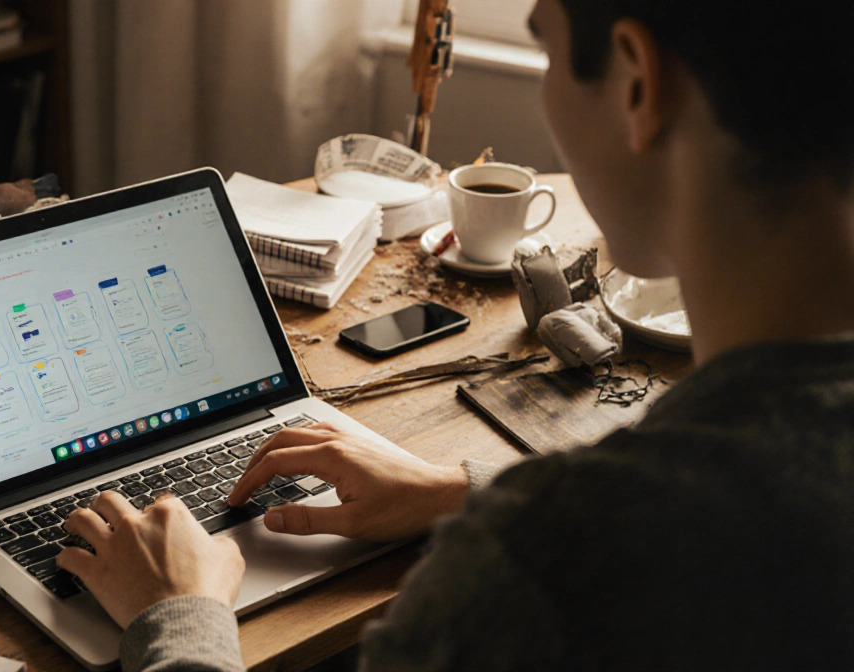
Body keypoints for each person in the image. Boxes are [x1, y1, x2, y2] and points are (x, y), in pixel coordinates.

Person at [56, 0, 854, 668]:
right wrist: (465, 491)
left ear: (639, 84)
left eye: (542, 46)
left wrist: (182, 617)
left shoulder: (537, 570)